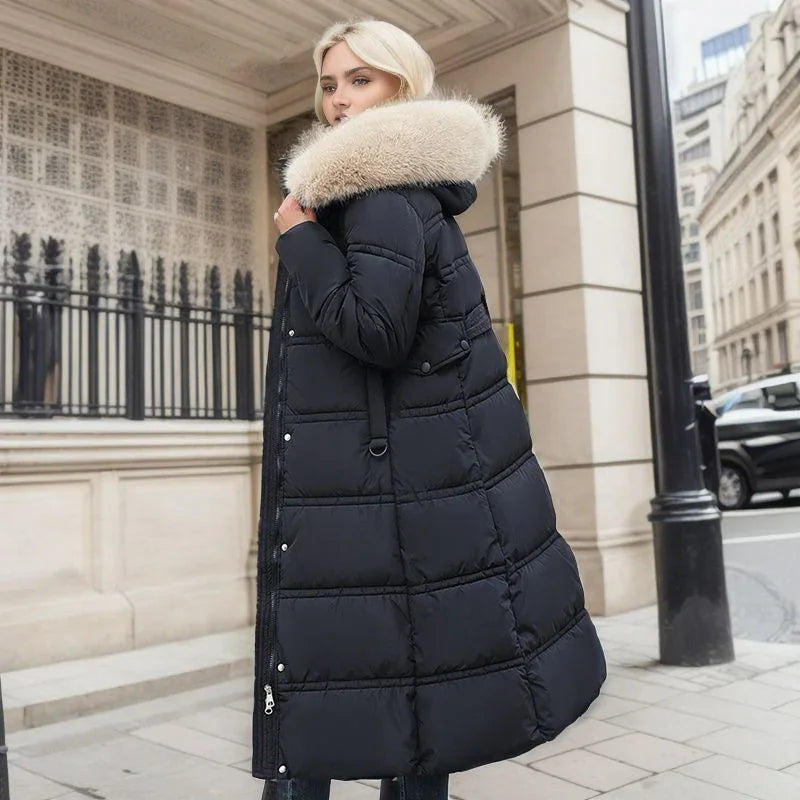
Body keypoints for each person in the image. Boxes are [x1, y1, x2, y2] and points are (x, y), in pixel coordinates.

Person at [253, 18, 607, 800]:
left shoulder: (379, 191)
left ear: (402, 86)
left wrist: (297, 240)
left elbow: (375, 332)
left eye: (361, 79)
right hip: (398, 491)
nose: (339, 100)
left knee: (343, 696)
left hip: (382, 497)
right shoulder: (392, 192)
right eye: (331, 81)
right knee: (413, 704)